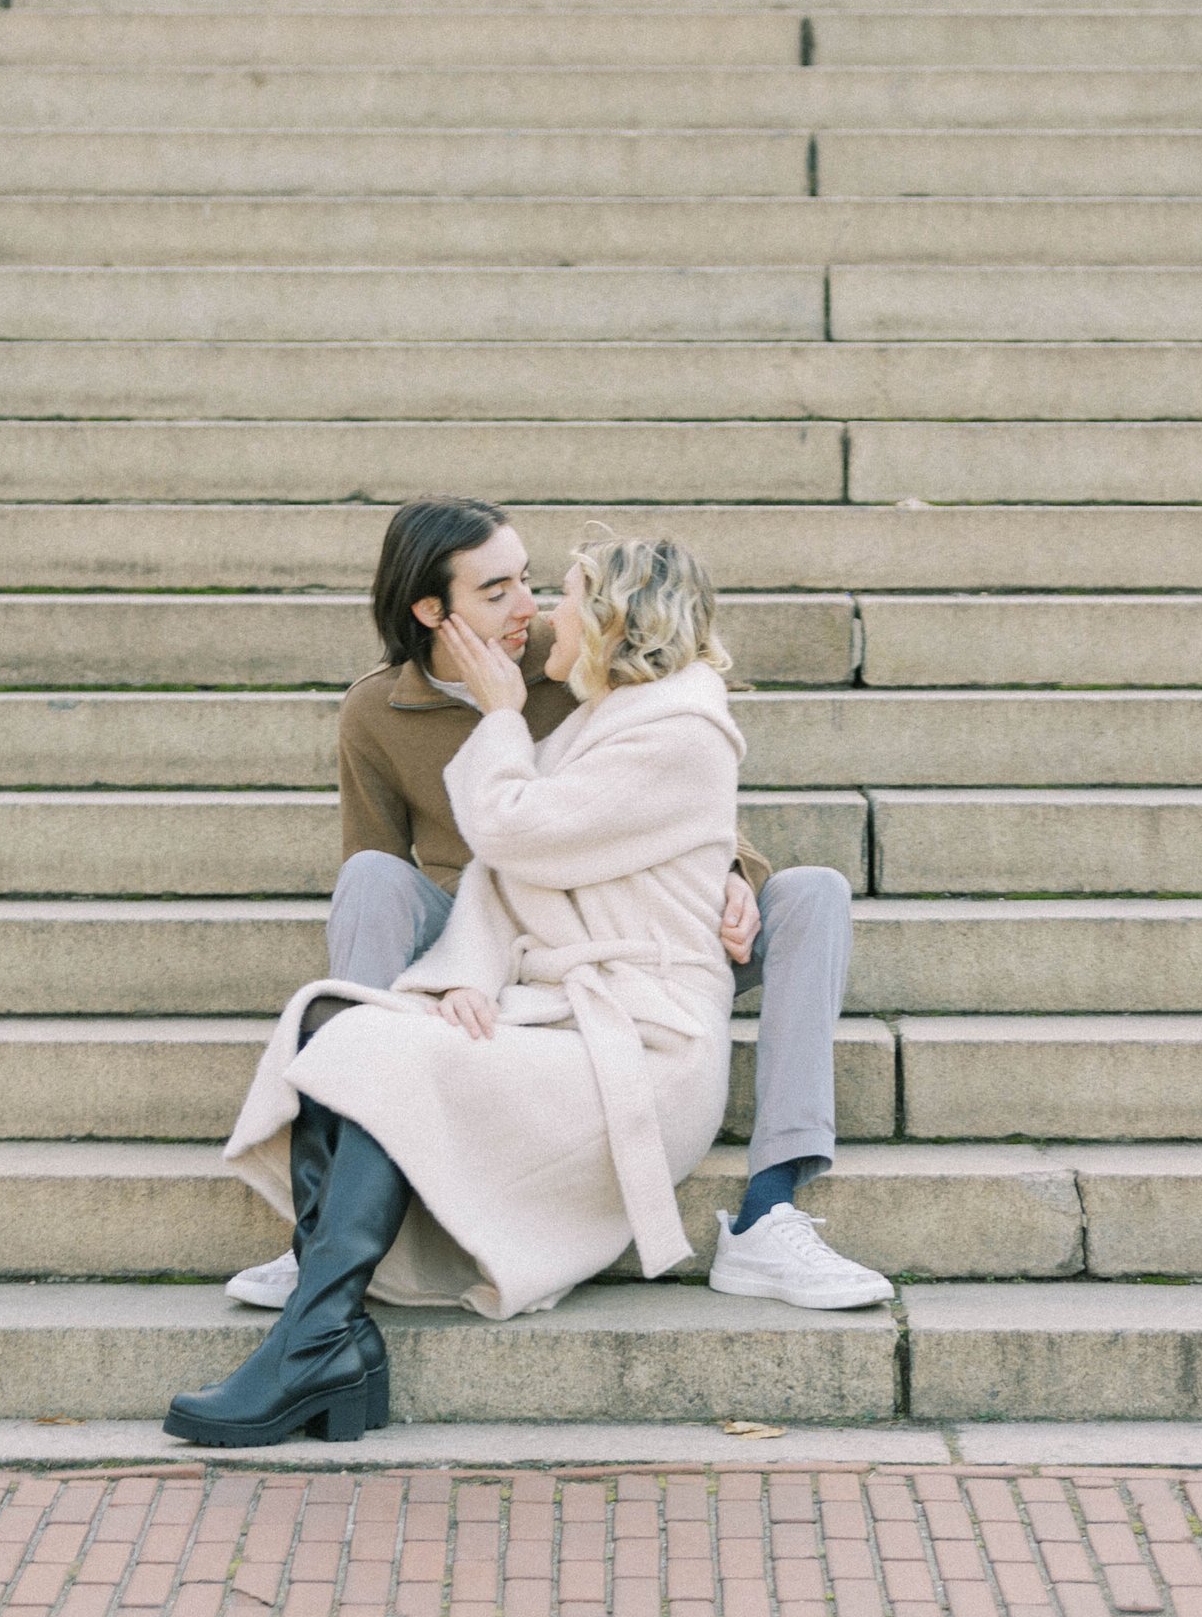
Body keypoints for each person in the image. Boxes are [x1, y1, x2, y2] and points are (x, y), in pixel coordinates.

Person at [167, 535, 761, 1447]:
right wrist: (461, 977)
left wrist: (497, 718)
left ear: (610, 620)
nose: (542, 615)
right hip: (559, 1017)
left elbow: (515, 830)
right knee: (331, 1015)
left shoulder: (682, 732)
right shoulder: (597, 723)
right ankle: (333, 1334)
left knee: (377, 1048)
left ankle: (315, 1337)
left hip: (647, 1050)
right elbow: (498, 877)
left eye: (563, 596)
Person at [225, 497, 889, 1313]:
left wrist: (734, 873)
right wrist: (455, 969)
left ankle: (772, 1205)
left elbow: (681, 788)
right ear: (433, 609)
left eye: (531, 582)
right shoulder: (376, 711)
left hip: (625, 932)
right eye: (496, 591)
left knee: (812, 892)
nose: (529, 609)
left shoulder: (576, 653)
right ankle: (330, 1220)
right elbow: (383, 866)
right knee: (367, 875)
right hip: (476, 937)